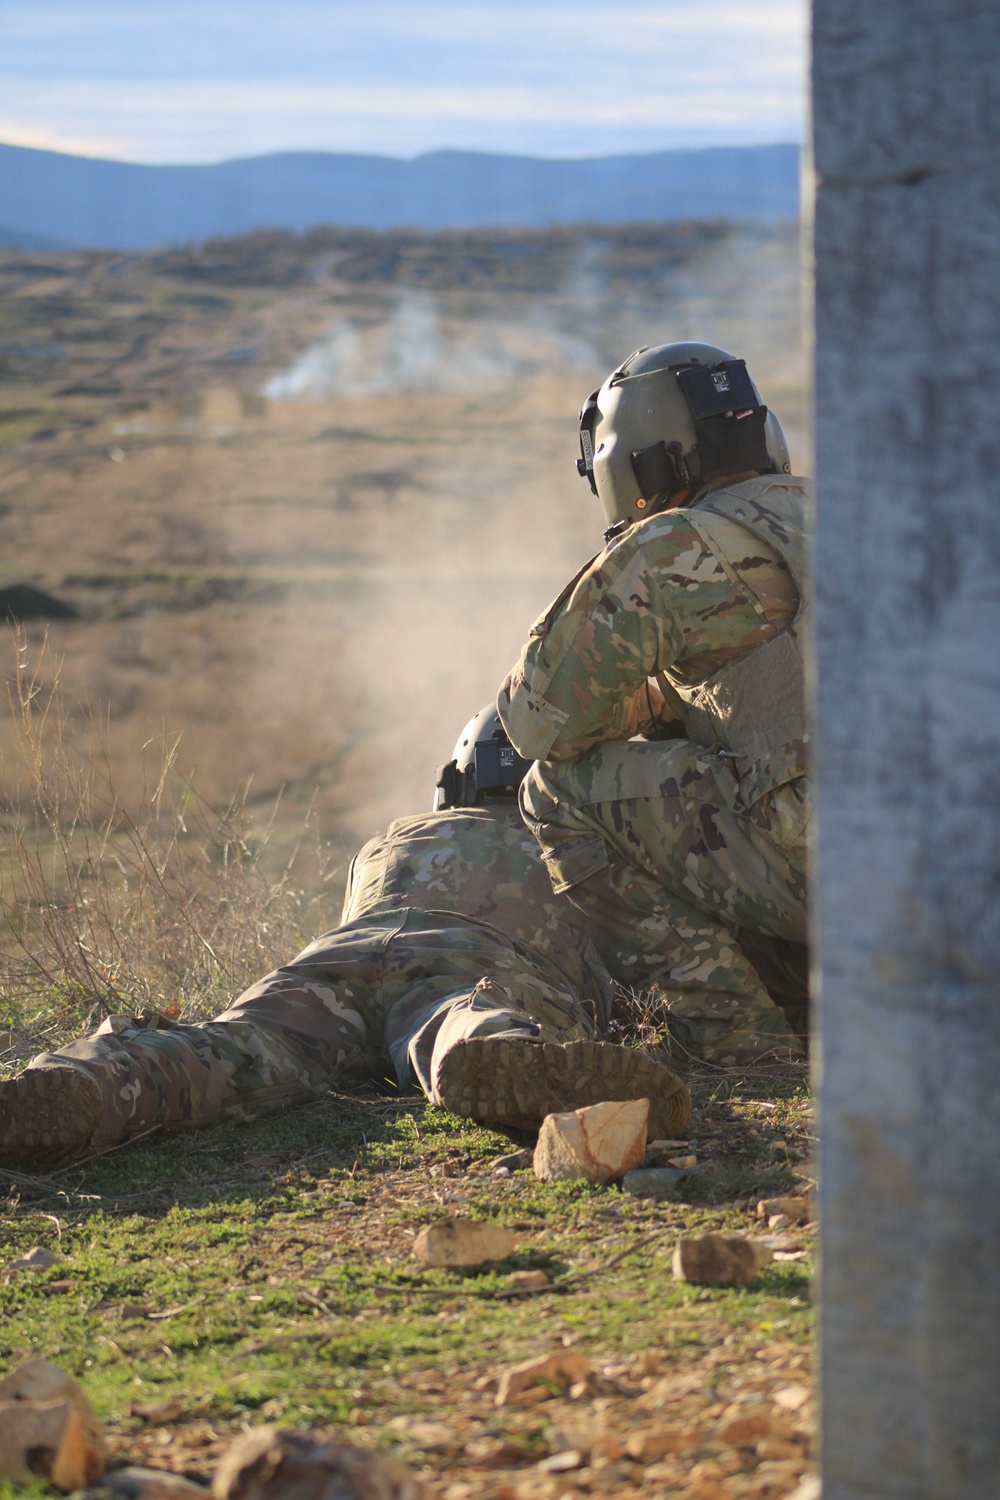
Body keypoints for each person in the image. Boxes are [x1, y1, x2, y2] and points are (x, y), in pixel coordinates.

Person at [0, 707, 690, 1169]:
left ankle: (92, 1078)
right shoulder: (577, 847)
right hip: (475, 962)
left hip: (339, 959)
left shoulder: (391, 839)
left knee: (233, 1046)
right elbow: (645, 972)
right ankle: (495, 1054)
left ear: (458, 778)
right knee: (460, 1017)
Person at [498, 342, 810, 1065]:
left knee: (559, 793)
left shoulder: (671, 549)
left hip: (839, 866)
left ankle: (740, 1041)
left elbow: (534, 720)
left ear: (636, 464)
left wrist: (648, 707)